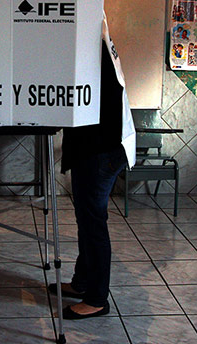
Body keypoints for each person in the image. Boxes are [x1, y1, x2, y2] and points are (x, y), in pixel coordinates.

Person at [50, 28, 135, 320]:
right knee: (88, 219)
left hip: (100, 149)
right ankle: (82, 282)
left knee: (93, 223)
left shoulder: (89, 52)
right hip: (104, 146)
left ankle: (97, 299)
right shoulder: (96, 45)